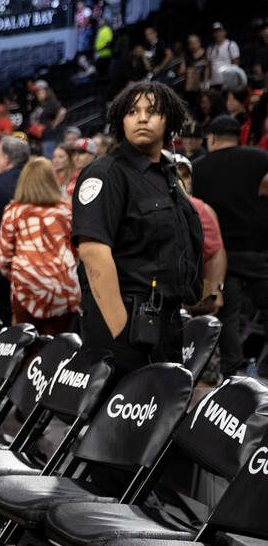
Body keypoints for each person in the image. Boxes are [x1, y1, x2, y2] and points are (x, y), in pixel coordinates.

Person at [72, 81, 203, 377]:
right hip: (127, 323)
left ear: (168, 119)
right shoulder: (106, 172)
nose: (142, 118)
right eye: (132, 112)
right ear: (121, 120)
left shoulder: (168, 176)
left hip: (164, 321)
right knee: (119, 419)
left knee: (157, 417)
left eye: (152, 111)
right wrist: (119, 329)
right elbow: (92, 252)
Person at [191, 115, 268, 375]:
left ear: (211, 138)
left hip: (220, 257)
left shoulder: (198, 167)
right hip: (258, 252)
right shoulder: (260, 158)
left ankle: (232, 373)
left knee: (227, 317)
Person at [0, 157, 80, 333]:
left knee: (26, 346)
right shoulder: (66, 211)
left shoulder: (14, 211)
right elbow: (76, 250)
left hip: (26, 285)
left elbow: (4, 257)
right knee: (58, 347)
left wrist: (20, 275)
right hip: (63, 286)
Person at [174, 153, 226, 319]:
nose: (182, 180)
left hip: (189, 294)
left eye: (185, 176)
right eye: (175, 175)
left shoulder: (200, 209)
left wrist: (216, 290)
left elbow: (215, 252)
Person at [206, 22, 241, 89]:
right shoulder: (210, 48)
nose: (218, 34)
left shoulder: (231, 45)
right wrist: (206, 81)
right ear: (213, 34)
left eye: (220, 31)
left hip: (228, 83)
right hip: (214, 83)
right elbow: (208, 67)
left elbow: (235, 65)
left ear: (225, 32)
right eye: (215, 32)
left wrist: (229, 81)